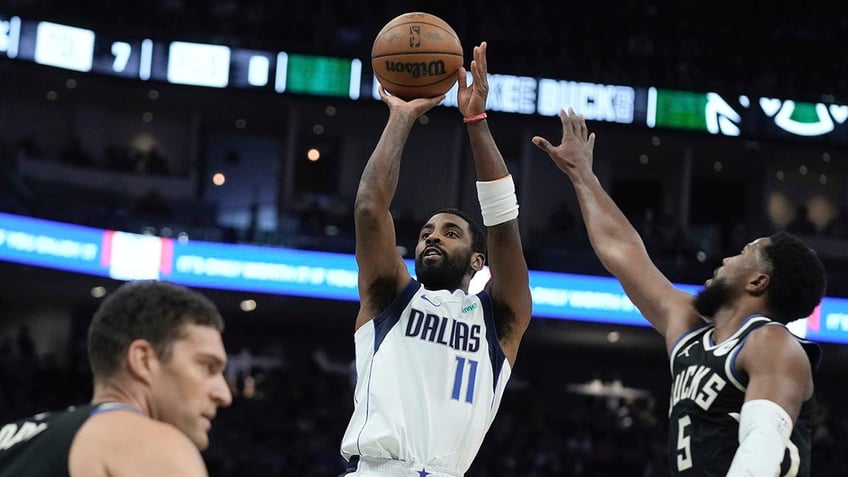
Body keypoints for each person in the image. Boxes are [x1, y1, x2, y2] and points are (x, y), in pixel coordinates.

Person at [532, 108, 826, 477]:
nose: (727, 257)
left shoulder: (771, 342)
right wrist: (582, 176)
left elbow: (762, 443)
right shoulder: (690, 327)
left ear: (757, 282)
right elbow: (623, 251)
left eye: (745, 253)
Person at [340, 41, 533, 476]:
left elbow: (504, 224)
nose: (432, 238)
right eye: (426, 232)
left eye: (450, 233)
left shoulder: (500, 320)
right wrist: (401, 118)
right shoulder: (391, 298)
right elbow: (370, 210)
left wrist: (476, 121)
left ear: (478, 260)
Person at [0, 280, 232, 477]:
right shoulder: (150, 443)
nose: (224, 395)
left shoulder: (12, 438)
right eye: (207, 367)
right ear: (143, 361)